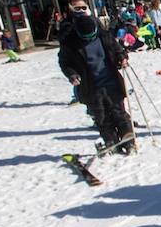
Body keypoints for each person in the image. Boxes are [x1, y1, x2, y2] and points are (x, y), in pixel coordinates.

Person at [57, 11, 135, 153]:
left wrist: (122, 57)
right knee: (101, 116)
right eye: (86, 38)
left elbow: (118, 49)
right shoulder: (69, 43)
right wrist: (72, 74)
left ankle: (128, 140)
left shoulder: (104, 35)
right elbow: (65, 62)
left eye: (92, 36)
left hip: (111, 81)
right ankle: (110, 140)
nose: (90, 39)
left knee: (119, 111)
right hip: (90, 86)